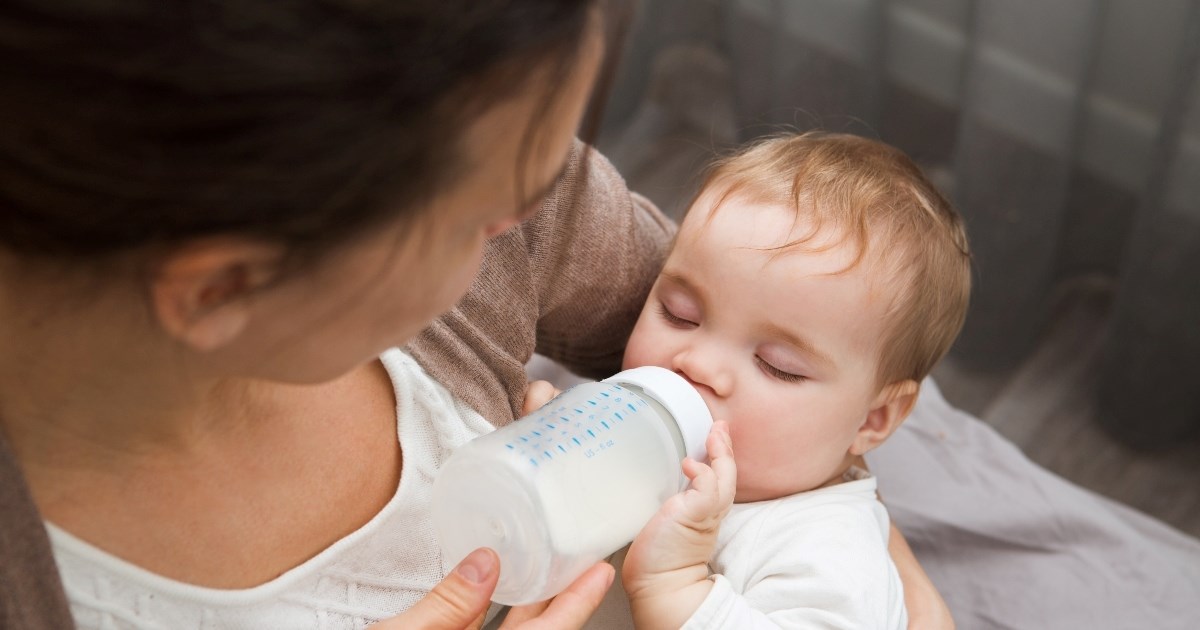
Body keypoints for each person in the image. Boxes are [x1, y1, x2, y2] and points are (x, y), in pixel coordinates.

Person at [0, 2, 951, 629]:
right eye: (493, 211)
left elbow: (805, 327)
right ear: (224, 290)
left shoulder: (511, 178)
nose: (539, 216)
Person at [618, 132, 971, 628]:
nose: (696, 364)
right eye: (679, 314)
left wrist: (674, 588)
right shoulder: (643, 443)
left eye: (776, 365)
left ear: (872, 418)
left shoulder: (827, 552)